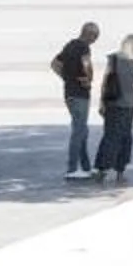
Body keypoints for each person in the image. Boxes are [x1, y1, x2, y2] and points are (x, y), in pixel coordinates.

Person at [92, 34, 133, 184]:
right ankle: (120, 171)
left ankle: (102, 169)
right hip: (129, 105)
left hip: (113, 103)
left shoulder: (113, 59)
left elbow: (105, 82)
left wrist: (101, 102)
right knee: (125, 136)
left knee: (110, 136)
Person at [52, 21, 101, 179]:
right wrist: (88, 78)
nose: (95, 40)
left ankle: (86, 166)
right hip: (80, 94)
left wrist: (67, 79)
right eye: (95, 36)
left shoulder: (70, 45)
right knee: (79, 130)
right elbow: (86, 64)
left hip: (69, 93)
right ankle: (72, 168)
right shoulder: (84, 47)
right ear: (89, 34)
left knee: (82, 130)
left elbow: (55, 64)